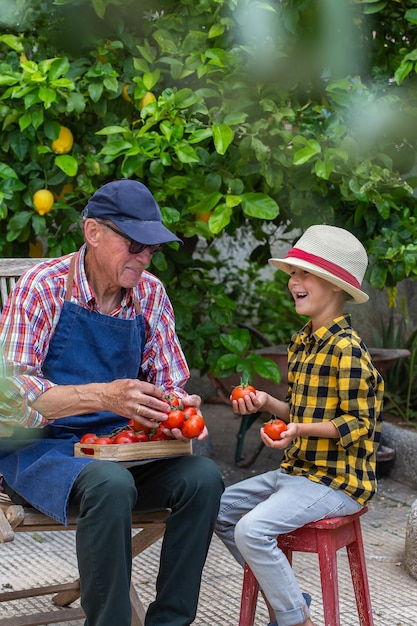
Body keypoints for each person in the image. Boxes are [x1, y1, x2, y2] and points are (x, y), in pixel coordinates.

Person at [0, 179, 224, 626]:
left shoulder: (150, 295)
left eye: (151, 249)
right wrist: (104, 395)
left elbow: (170, 382)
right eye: (134, 244)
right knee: (110, 484)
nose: (143, 258)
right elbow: (9, 398)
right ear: (93, 233)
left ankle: (170, 622)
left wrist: (177, 411)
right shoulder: (41, 289)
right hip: (38, 450)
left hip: (123, 448)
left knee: (203, 477)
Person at [215, 225, 384, 626]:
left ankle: (296, 619)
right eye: (292, 273)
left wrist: (299, 432)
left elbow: (360, 424)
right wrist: (267, 404)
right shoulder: (303, 342)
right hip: (298, 474)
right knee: (218, 509)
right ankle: (291, 598)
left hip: (337, 483)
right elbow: (300, 412)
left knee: (251, 530)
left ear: (336, 286)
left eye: (304, 273)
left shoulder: (348, 351)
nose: (293, 281)